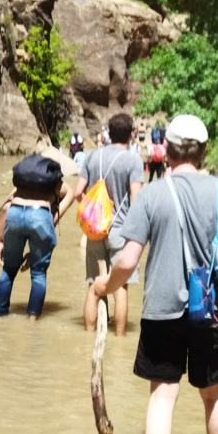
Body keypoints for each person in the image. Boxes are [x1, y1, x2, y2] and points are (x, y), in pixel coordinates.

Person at [91, 113, 218, 434]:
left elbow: (128, 262)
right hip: (213, 310)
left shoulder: (151, 194)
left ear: (165, 152)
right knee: (216, 393)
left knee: (163, 394)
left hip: (161, 311)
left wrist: (105, 286)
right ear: (203, 151)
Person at [72, 112, 144, 337]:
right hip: (120, 231)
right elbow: (137, 201)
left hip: (95, 230)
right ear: (131, 135)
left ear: (109, 134)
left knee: (94, 285)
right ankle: (120, 340)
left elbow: (77, 193)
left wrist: (93, 214)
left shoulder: (92, 157)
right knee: (119, 287)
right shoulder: (133, 161)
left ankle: (89, 336)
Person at [0, 154, 77, 318]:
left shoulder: (21, 184)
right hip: (40, 216)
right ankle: (32, 320)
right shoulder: (54, 181)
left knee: (9, 269)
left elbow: (4, 209)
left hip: (15, 214)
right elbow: (71, 195)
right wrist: (51, 222)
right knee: (38, 273)